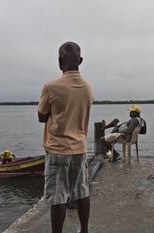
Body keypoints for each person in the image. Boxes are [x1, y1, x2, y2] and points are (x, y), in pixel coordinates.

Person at [38, 41, 93, 233]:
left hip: (58, 149)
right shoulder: (88, 88)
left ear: (60, 61)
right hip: (80, 148)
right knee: (82, 192)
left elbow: (41, 116)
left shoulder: (50, 87)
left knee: (58, 197)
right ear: (81, 60)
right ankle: (84, 230)